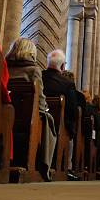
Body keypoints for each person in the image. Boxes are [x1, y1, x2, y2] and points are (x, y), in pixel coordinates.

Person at [5, 38, 56, 181]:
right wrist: (45, 109)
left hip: (4, 114)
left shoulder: (4, 67)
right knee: (49, 122)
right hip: (26, 117)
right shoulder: (33, 70)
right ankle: (42, 165)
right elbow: (39, 100)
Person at [42, 49, 80, 180]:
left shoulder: (39, 77)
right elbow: (72, 110)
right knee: (69, 131)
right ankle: (64, 168)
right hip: (58, 126)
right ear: (63, 66)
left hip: (33, 119)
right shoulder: (68, 84)